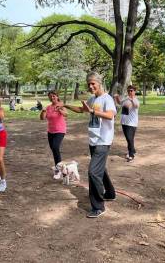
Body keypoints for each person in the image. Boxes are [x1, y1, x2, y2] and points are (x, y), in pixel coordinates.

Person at [61, 71, 117, 218]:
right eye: (89, 84)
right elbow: (81, 110)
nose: (90, 86)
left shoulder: (107, 99)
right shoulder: (93, 99)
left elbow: (111, 115)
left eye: (93, 83)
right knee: (100, 169)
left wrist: (92, 111)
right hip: (94, 140)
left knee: (93, 172)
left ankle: (98, 206)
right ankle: (110, 193)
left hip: (103, 141)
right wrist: (65, 105)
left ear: (99, 83)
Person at [40, 91, 67, 179]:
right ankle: (59, 166)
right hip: (50, 131)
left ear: (57, 96)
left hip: (60, 130)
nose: (52, 98)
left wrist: (59, 109)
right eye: (50, 97)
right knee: (54, 150)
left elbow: (66, 114)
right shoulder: (48, 107)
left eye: (54, 96)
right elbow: (42, 118)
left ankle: (59, 170)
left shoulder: (61, 105)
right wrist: (43, 111)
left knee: (55, 148)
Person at [114, 85, 140, 162]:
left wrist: (131, 99)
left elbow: (136, 106)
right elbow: (119, 103)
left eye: (131, 91)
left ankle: (131, 155)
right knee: (128, 139)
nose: (130, 92)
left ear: (135, 91)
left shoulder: (136, 100)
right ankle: (133, 150)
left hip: (132, 123)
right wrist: (116, 97)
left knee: (129, 138)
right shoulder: (126, 99)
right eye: (128, 91)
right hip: (124, 122)